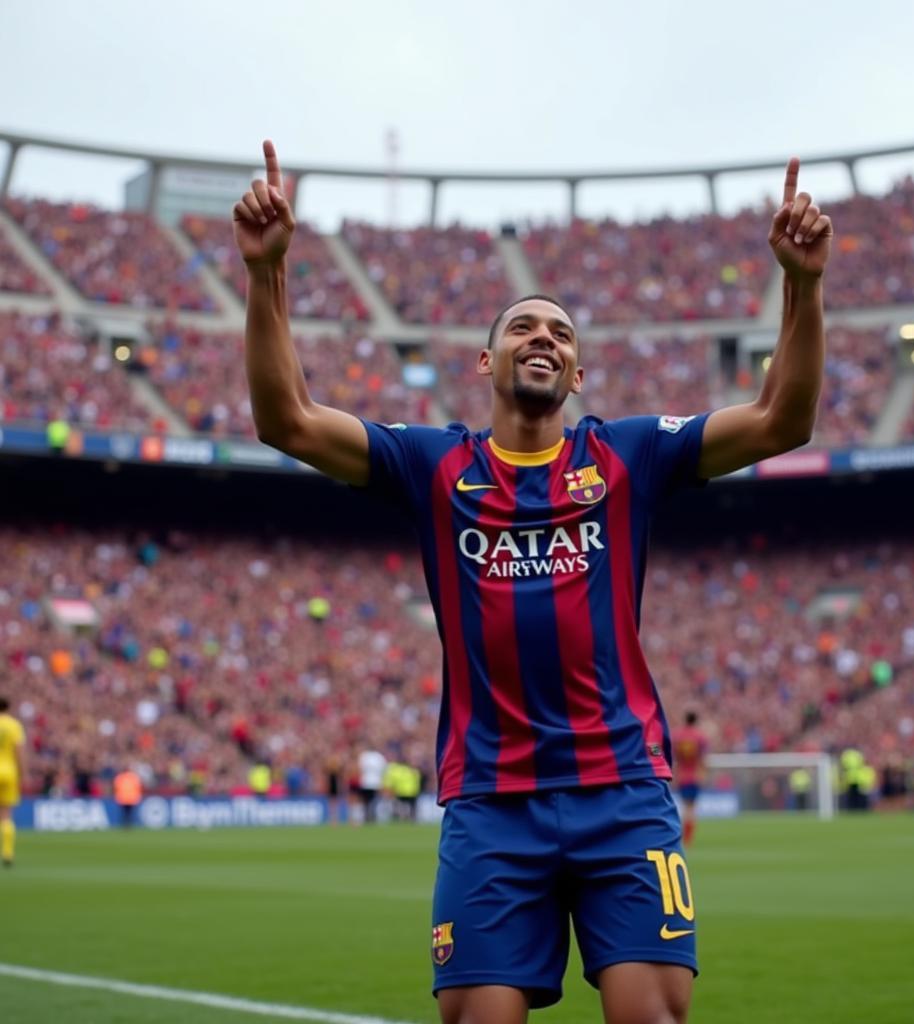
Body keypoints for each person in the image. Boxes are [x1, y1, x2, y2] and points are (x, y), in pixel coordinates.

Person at [235, 141, 830, 1024]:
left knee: (652, 1018)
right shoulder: (433, 465)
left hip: (622, 790)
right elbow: (286, 419)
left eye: (559, 332)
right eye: (522, 327)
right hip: (491, 802)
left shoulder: (629, 455)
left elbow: (784, 420)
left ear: (579, 373)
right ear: (487, 364)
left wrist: (803, 284)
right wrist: (268, 273)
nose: (542, 337)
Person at [671, 712, 707, 847]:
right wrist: (704, 774)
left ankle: (682, 835)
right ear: (695, 720)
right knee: (691, 808)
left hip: (681, 776)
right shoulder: (700, 736)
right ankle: (688, 838)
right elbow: (703, 758)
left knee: (685, 807)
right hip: (695, 776)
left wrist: (674, 775)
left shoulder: (677, 736)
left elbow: (673, 757)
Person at [0, 696, 27, 867]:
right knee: (6, 814)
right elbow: (19, 752)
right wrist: (22, 773)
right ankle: (8, 853)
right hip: (9, 772)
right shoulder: (14, 725)